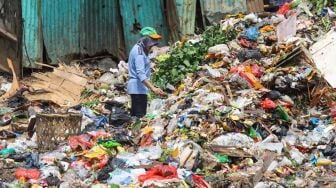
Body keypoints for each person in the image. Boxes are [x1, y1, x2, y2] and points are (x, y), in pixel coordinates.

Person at [127, 27, 166, 118]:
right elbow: (141, 75)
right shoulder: (139, 52)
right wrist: (154, 88)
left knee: (136, 116)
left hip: (139, 89)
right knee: (139, 117)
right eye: (152, 41)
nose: (152, 45)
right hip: (137, 89)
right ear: (146, 40)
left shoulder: (141, 49)